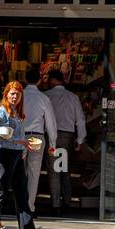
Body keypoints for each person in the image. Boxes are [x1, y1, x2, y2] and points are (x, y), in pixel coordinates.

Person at [0, 81, 47, 229]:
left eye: (18, 94)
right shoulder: (2, 111)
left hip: (16, 154)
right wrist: (22, 142)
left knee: (21, 192)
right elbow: (0, 134)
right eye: (12, 93)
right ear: (6, 94)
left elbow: (15, 135)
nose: (15, 97)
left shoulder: (16, 112)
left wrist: (23, 147)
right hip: (5, 154)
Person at [44, 68, 86, 211]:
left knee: (54, 170)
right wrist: (80, 140)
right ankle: (67, 201)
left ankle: (55, 204)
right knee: (64, 169)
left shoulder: (46, 96)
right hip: (67, 137)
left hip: (52, 136)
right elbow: (80, 120)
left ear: (53, 80)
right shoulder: (73, 97)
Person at [21, 65, 57, 218]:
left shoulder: (18, 95)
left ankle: (19, 204)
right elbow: (51, 122)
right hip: (36, 136)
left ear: (24, 79)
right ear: (39, 81)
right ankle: (29, 206)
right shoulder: (44, 98)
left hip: (20, 137)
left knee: (19, 172)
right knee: (34, 173)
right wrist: (53, 143)